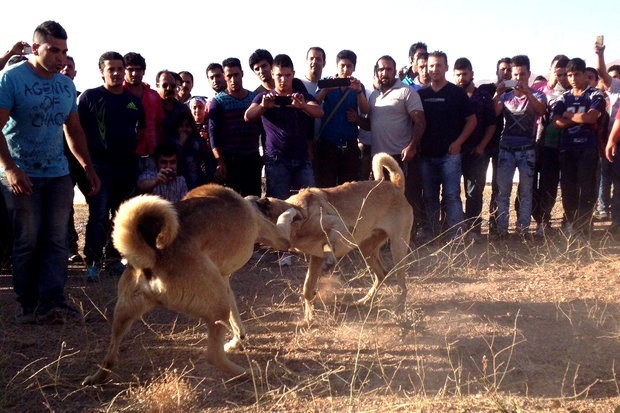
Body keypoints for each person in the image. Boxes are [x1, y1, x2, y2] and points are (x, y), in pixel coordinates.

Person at [0, 21, 101, 323]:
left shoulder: (65, 84)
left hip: (58, 173)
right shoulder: (11, 79)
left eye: (64, 51)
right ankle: (28, 305)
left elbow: (73, 129)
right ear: (35, 48)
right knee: (28, 239)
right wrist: (11, 169)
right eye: (54, 50)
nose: (61, 58)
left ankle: (53, 301)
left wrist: (87, 167)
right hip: (21, 174)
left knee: (56, 239)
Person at [79, 51, 145, 281]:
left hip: (126, 168)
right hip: (99, 168)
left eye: (120, 69)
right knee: (98, 215)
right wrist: (87, 167)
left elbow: (141, 131)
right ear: (102, 72)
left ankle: (115, 260)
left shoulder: (134, 102)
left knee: (121, 217)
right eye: (111, 69)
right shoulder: (89, 98)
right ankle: (93, 263)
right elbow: (78, 134)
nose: (117, 73)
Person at [363, 55, 426, 241]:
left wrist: (412, 146)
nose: (384, 73)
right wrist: (356, 119)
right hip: (379, 161)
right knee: (382, 202)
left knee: (407, 199)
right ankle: (386, 239)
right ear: (376, 72)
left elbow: (420, 122)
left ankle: (410, 238)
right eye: (381, 69)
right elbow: (371, 124)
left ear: (394, 70)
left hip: (401, 157)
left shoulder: (407, 92)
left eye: (388, 69)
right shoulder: (373, 96)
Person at [244, 54, 323, 200]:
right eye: (279, 75)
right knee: (277, 203)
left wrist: (303, 106)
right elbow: (248, 116)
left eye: (287, 75)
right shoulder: (264, 97)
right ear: (272, 74)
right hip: (276, 160)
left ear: (293, 75)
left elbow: (319, 112)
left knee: (311, 201)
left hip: (301, 158)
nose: (283, 79)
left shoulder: (302, 97)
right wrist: (263, 106)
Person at [418, 51, 476, 241]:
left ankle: (455, 235)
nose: (434, 69)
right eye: (431, 66)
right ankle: (434, 235)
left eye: (439, 65)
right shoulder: (421, 94)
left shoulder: (457, 93)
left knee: (451, 196)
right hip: (426, 156)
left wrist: (458, 143)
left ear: (446, 67)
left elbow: (472, 121)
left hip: (449, 155)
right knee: (430, 197)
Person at [493, 55, 546, 239]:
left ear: (529, 74)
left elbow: (541, 110)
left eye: (522, 74)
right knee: (503, 193)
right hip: (506, 149)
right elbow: (493, 112)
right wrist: (498, 92)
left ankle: (523, 230)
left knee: (525, 192)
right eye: (515, 75)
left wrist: (528, 93)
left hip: (527, 150)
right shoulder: (506, 95)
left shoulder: (538, 95)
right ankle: (501, 229)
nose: (519, 78)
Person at [552, 58, 605, 236]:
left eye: (576, 74)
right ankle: (573, 225)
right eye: (570, 75)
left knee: (587, 189)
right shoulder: (563, 97)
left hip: (587, 149)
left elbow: (591, 118)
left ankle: (584, 227)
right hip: (567, 149)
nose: (573, 78)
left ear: (584, 75)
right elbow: (556, 122)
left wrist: (568, 114)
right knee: (568, 190)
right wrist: (578, 117)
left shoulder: (594, 95)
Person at [453, 57, 496, 242]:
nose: (461, 78)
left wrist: (481, 146)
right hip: (454, 152)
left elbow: (491, 125)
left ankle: (473, 230)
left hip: (477, 152)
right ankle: (453, 229)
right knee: (451, 192)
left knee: (474, 192)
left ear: (472, 74)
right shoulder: (452, 95)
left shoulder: (483, 96)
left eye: (465, 74)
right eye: (458, 75)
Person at [313, 49, 368, 187]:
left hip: (349, 145)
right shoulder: (327, 82)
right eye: (342, 65)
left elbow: (365, 110)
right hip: (328, 145)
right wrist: (326, 90)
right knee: (327, 188)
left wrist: (359, 92)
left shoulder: (358, 86)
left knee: (348, 189)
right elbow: (314, 104)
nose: (345, 69)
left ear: (354, 68)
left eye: (349, 66)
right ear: (337, 66)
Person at [208, 57, 263, 196]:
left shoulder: (254, 98)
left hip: (252, 159)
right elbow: (213, 135)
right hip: (231, 161)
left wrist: (264, 157)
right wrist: (220, 162)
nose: (233, 80)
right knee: (234, 205)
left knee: (254, 202)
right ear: (224, 77)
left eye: (236, 75)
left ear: (242, 74)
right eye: (229, 76)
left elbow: (263, 129)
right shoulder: (218, 101)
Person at [531, 55, 571, 237]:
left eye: (564, 74)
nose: (561, 78)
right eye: (557, 74)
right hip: (547, 145)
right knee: (547, 185)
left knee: (571, 184)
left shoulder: (575, 92)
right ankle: (543, 220)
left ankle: (570, 219)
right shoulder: (542, 92)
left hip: (570, 146)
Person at [479, 57, 512, 234]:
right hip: (485, 142)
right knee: (479, 184)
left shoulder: (516, 91)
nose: (505, 73)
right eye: (503, 69)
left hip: (505, 144)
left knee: (499, 186)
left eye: (509, 70)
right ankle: (476, 224)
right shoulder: (485, 89)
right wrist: (498, 94)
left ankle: (495, 223)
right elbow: (487, 112)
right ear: (497, 71)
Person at [123, 52, 165, 174]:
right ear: (124, 71)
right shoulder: (119, 94)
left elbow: (159, 125)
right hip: (127, 156)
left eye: (138, 70)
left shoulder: (153, 95)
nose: (134, 74)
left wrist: (160, 153)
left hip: (152, 155)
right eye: (130, 70)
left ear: (144, 71)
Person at [168, 110, 213, 189]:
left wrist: (209, 178)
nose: (184, 129)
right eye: (181, 126)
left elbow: (207, 159)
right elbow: (171, 159)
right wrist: (180, 144)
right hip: (178, 183)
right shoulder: (171, 142)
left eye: (187, 126)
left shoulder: (197, 141)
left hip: (196, 181)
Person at [156, 70, 192, 138]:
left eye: (172, 86)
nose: (169, 88)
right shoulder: (151, 107)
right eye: (165, 85)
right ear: (157, 86)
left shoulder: (183, 109)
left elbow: (193, 135)